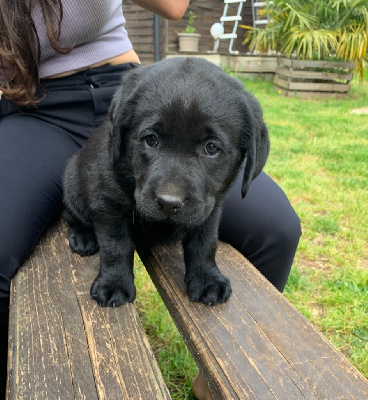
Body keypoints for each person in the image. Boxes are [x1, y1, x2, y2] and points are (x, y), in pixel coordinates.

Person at [0, 1, 301, 399]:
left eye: (213, 148)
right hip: (34, 107)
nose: (172, 192)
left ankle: (215, 379)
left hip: (140, 94)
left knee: (277, 229)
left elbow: (174, 6)